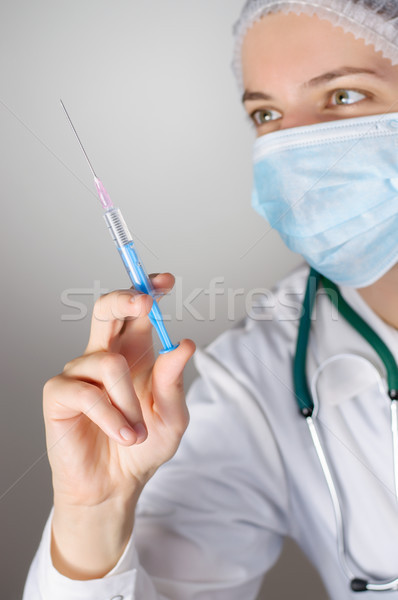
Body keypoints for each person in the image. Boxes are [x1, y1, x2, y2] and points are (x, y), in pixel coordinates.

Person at [23, 1, 398, 598]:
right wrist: (94, 512)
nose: (294, 149)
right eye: (266, 112)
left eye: (344, 96)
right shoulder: (264, 371)